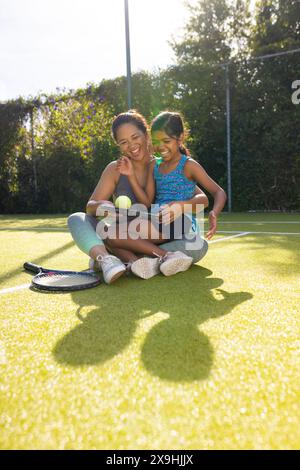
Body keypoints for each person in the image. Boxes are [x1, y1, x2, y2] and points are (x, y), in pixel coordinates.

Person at [68, 110, 210, 283]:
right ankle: (112, 260)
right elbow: (90, 207)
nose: (132, 145)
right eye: (124, 142)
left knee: (199, 245)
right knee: (77, 219)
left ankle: (125, 260)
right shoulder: (115, 169)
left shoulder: (163, 166)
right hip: (122, 236)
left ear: (146, 135)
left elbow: (200, 199)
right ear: (119, 146)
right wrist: (103, 207)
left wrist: (180, 206)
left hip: (157, 239)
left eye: (135, 137)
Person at [106, 111, 227, 279]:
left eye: (167, 141)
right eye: (156, 142)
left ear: (181, 138)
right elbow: (147, 200)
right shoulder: (154, 165)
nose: (161, 147)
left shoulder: (188, 165)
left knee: (114, 235)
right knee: (112, 237)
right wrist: (131, 176)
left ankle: (166, 256)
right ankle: (138, 264)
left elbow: (217, 192)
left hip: (178, 221)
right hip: (157, 220)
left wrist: (214, 213)